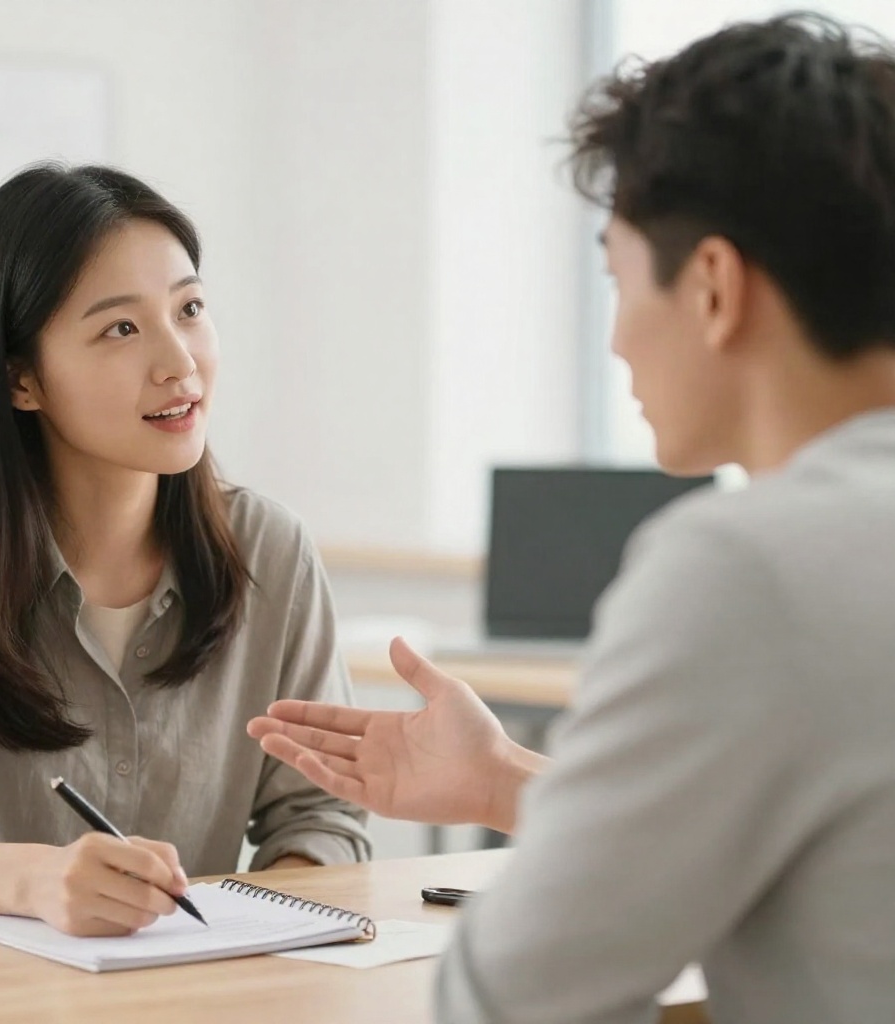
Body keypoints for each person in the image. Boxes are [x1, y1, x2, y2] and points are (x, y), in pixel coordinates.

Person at [249, 13, 895, 1022]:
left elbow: (516, 1000)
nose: (619, 341)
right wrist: (504, 777)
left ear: (714, 287)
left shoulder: (748, 567)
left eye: (617, 279)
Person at [0, 163, 369, 938]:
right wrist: (36, 881)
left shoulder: (271, 551)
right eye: (122, 329)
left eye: (190, 309)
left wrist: (262, 926)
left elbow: (320, 813)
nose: (180, 362)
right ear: (21, 380)